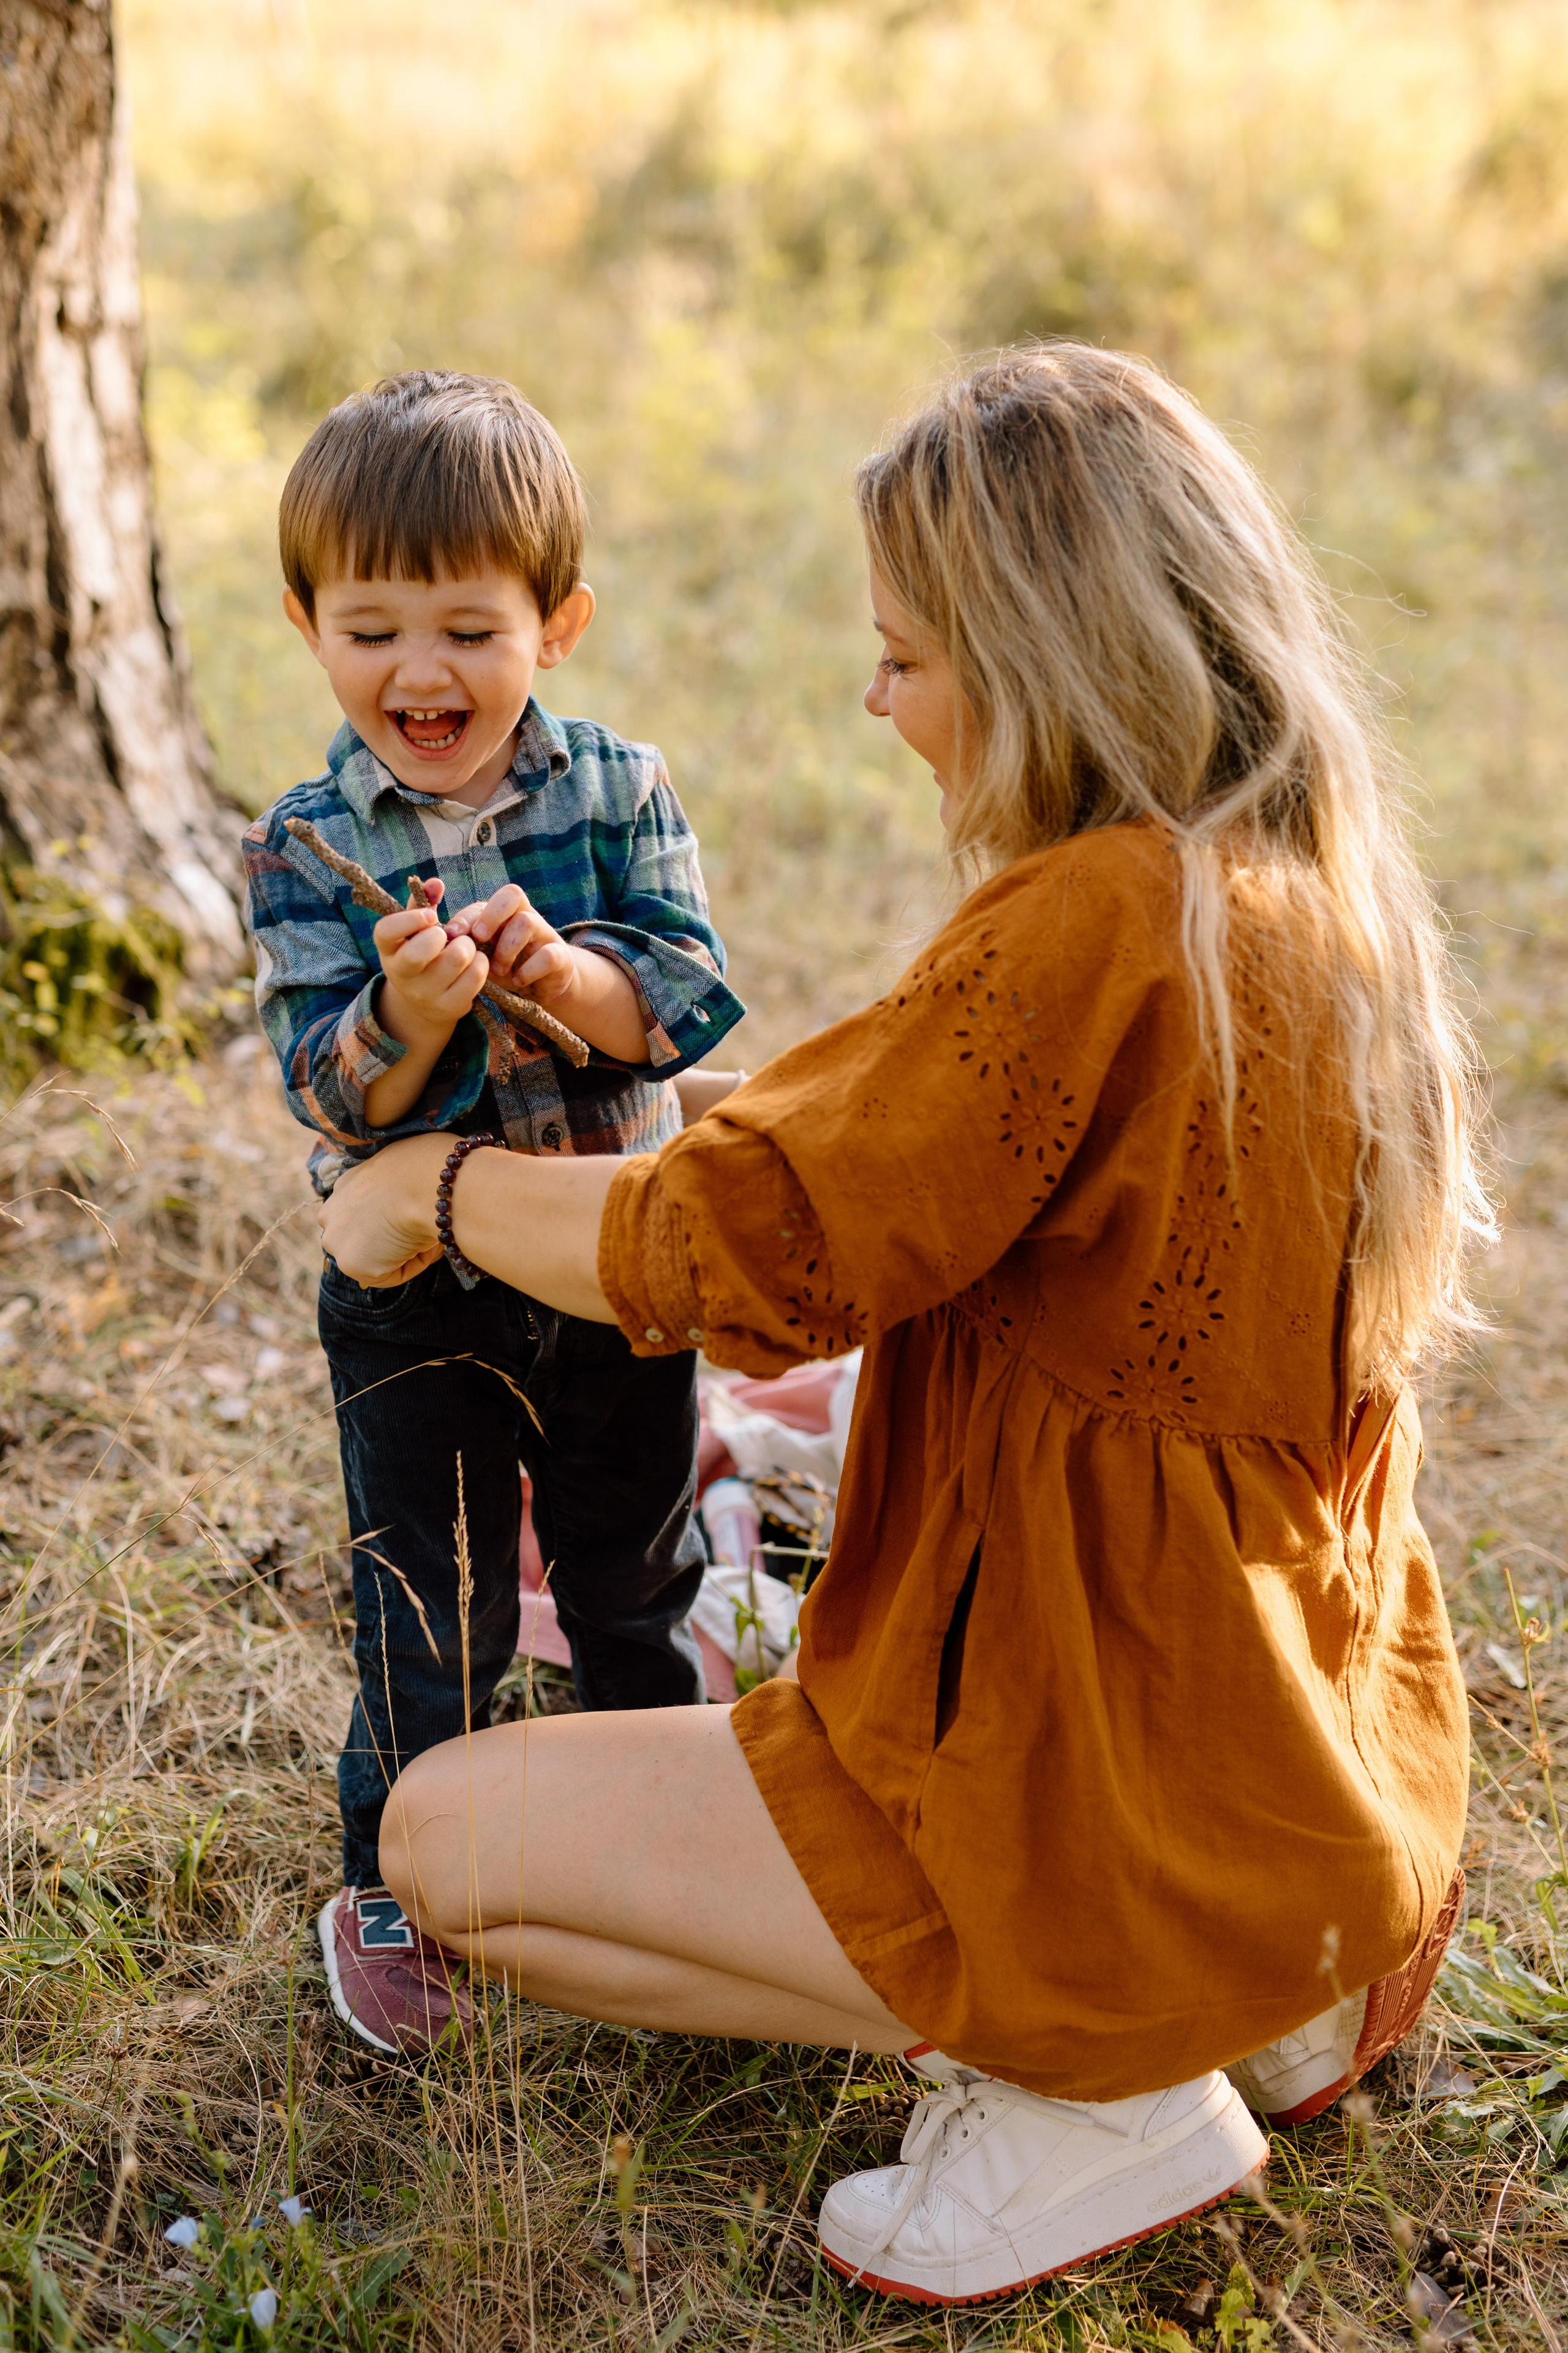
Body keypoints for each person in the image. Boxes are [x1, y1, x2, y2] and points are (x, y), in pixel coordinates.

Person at [317, 344, 1481, 2305]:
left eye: (908, 655)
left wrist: (425, 1196)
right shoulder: (1299, 901)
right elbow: (886, 1147)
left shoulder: (1091, 920)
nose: (876, 702)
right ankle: (1213, 2004)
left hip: (1085, 1785)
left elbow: (744, 1247)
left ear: (1044, 660)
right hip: (1311, 1802)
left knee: (444, 1836)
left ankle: (1083, 2075)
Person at [241, 371, 745, 2057]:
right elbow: (329, 1090)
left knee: (629, 1564)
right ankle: (396, 1875)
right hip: (417, 1294)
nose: (421, 672)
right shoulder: (310, 846)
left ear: (558, 622)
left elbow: (685, 1006)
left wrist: (571, 975)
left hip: (609, 1264)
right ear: (311, 624)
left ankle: (665, 1836)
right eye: (372, 629)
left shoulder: (618, 787)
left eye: (469, 626)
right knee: (425, 1596)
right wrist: (415, 1017)